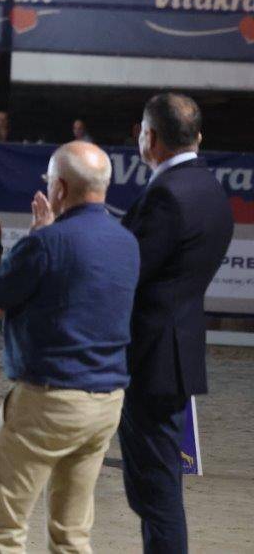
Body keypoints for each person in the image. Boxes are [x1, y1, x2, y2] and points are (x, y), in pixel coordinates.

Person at [0, 141, 140, 553]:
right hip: (105, 402)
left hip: (48, 402)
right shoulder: (126, 242)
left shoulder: (46, 245)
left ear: (59, 188)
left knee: (3, 531)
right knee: (72, 534)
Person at [118, 93, 234, 553]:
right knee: (158, 488)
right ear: (197, 136)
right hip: (176, 352)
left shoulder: (166, 195)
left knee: (156, 493)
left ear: (149, 138)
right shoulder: (209, 188)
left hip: (151, 359)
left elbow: (127, 270)